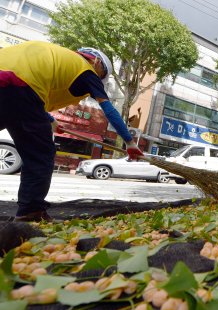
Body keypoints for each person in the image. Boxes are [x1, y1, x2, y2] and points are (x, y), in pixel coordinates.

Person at [0, 41, 143, 222]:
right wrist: (130, 142)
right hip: (20, 86)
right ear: (97, 62)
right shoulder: (86, 70)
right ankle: (31, 212)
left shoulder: (59, 57)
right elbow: (110, 111)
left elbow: (33, 101)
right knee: (41, 153)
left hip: (7, 81)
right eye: (102, 76)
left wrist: (51, 121)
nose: (98, 80)